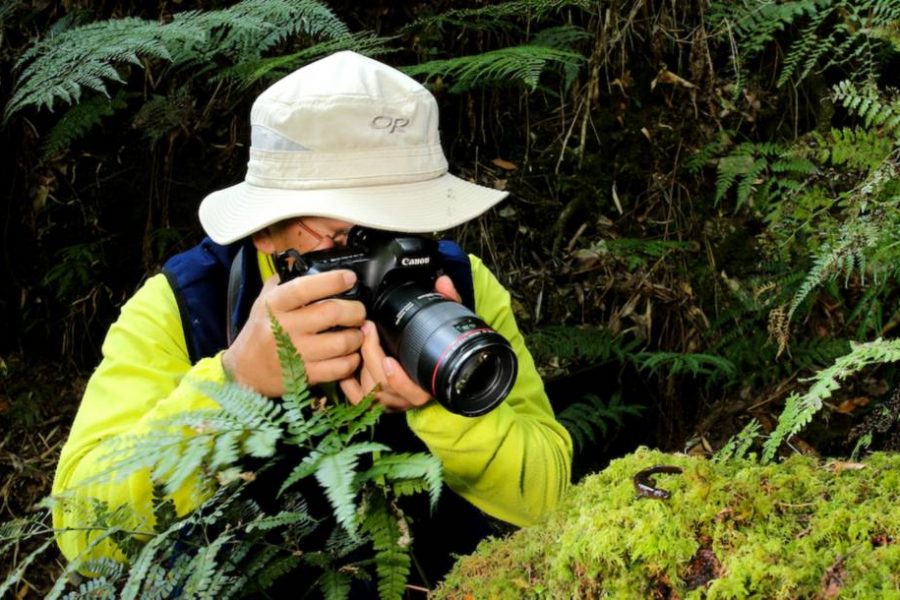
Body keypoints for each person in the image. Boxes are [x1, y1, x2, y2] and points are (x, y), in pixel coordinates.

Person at [52, 50, 573, 587]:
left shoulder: (459, 285)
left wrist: (444, 408)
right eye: (353, 241)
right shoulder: (184, 308)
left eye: (409, 228)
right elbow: (81, 530)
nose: (389, 259)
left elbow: (552, 497)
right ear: (265, 228)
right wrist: (234, 384)